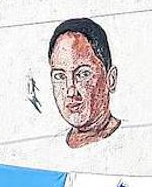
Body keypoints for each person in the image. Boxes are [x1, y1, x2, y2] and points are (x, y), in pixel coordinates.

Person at [48, 18, 121, 148]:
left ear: (111, 79)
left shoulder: (133, 140)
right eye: (60, 76)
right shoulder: (49, 148)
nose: (71, 91)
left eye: (83, 74)